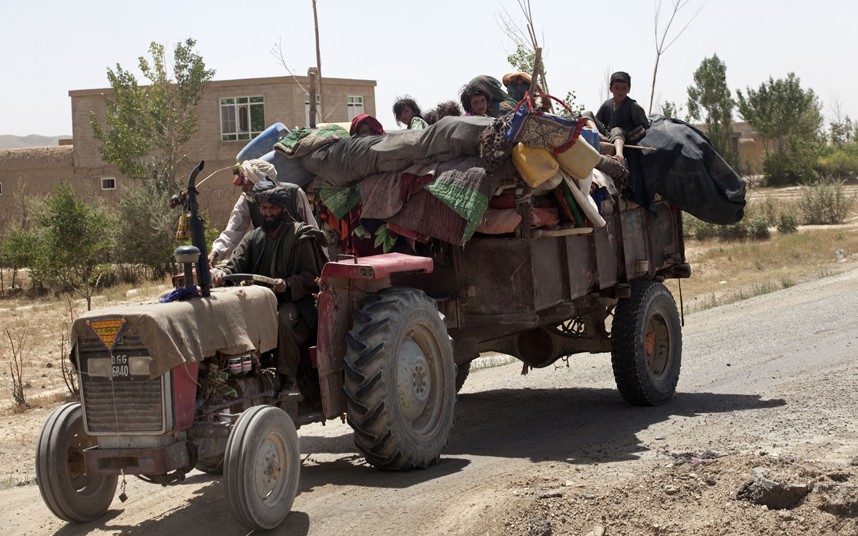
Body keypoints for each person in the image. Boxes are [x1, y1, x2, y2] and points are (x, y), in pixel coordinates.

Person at [211, 180, 328, 396]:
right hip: (262, 303)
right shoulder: (254, 237)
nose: (268, 213)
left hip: (298, 304)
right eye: (264, 209)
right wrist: (222, 273)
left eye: (273, 208)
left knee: (283, 318)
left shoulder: (300, 235)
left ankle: (290, 380)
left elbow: (311, 276)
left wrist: (288, 284)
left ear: (283, 208)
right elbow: (235, 262)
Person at [208, 159, 319, 266]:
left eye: (247, 184)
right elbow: (233, 230)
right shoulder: (247, 199)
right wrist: (215, 252)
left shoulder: (294, 193)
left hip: (296, 254)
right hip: (268, 256)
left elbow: (312, 228)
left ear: (260, 184)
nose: (244, 189)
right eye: (264, 208)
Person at [582, 71, 650, 168]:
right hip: (606, 135)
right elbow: (598, 120)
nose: (620, 91)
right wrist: (599, 132)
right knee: (587, 113)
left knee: (616, 130)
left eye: (624, 88)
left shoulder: (633, 106)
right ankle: (597, 135)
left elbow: (645, 126)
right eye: (617, 88)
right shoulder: (607, 105)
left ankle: (619, 155)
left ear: (629, 89)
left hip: (623, 137)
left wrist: (632, 134)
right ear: (611, 89)